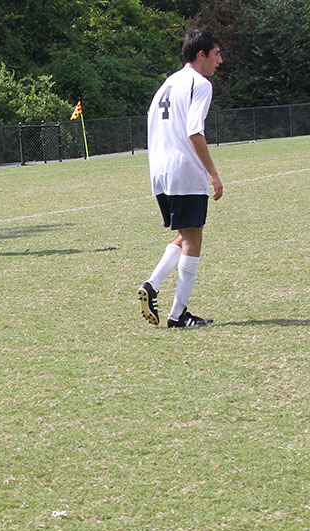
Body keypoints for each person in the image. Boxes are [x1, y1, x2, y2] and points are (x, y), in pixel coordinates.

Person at [137, 28, 223, 328]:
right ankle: (177, 314)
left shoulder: (167, 84)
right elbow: (194, 131)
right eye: (216, 54)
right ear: (201, 54)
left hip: (160, 172)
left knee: (187, 234)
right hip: (184, 170)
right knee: (194, 237)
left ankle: (152, 285)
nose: (220, 60)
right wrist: (213, 174)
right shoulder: (200, 84)